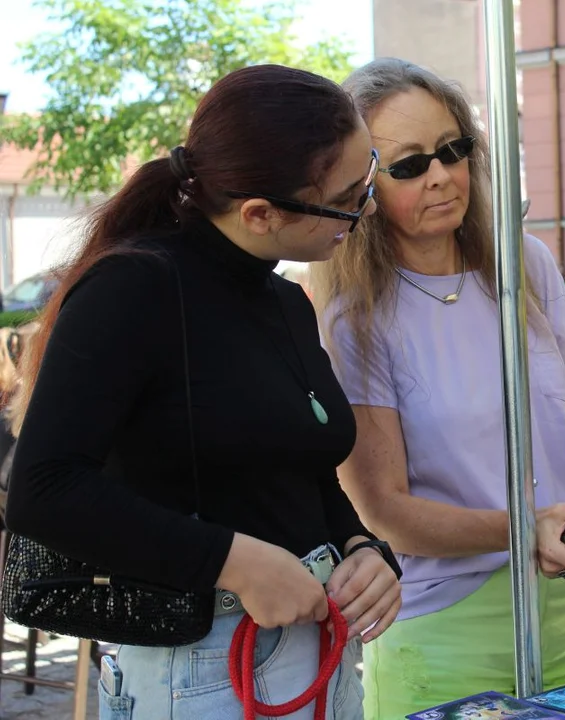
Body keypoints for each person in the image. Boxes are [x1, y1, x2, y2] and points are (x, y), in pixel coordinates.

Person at [4, 64, 401, 720]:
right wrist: (233, 562)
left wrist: (362, 548)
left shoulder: (285, 300)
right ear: (260, 213)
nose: (367, 208)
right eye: (351, 195)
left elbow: (299, 475)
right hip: (200, 665)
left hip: (312, 645)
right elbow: (43, 491)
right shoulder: (135, 290)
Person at [311, 58, 565, 719]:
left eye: (454, 150)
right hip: (445, 626)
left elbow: (556, 441)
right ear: (363, 184)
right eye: (409, 164)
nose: (441, 175)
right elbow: (384, 512)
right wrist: (525, 527)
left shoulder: (524, 263)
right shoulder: (358, 316)